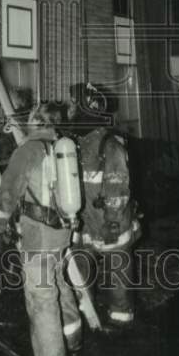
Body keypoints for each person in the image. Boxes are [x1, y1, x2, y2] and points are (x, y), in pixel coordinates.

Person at [0, 101, 82, 356]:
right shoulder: (64, 146)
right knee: (59, 282)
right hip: (62, 231)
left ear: (35, 122)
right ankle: (74, 337)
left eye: (30, 118)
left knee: (41, 301)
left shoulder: (27, 151)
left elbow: (7, 192)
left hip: (38, 237)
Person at [67, 82, 141, 329]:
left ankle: (122, 321)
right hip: (85, 223)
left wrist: (111, 224)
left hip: (111, 224)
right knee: (80, 268)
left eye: (72, 104)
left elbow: (118, 189)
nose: (69, 110)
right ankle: (87, 316)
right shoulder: (76, 144)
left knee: (118, 269)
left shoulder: (110, 145)